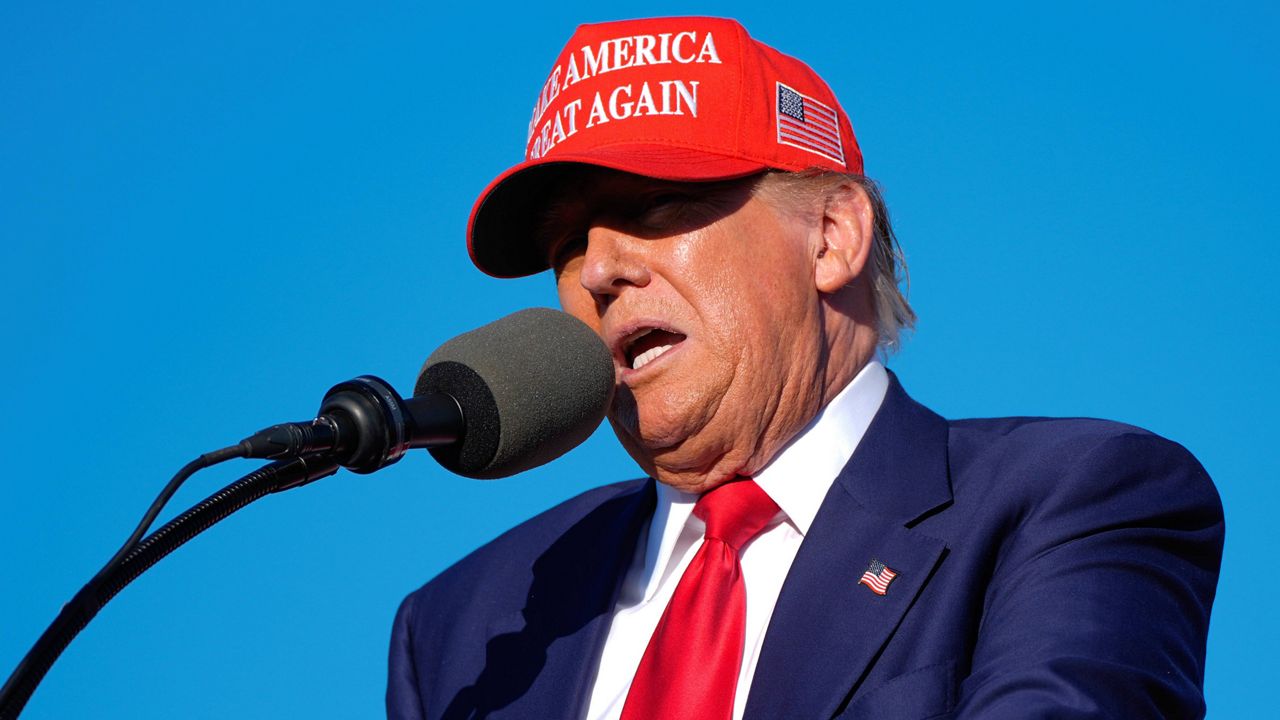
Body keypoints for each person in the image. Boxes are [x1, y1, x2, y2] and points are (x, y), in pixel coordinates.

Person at [387, 16, 1223, 720]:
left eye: (655, 208)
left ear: (832, 236)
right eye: (568, 247)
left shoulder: (1072, 501)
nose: (599, 271)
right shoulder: (465, 625)